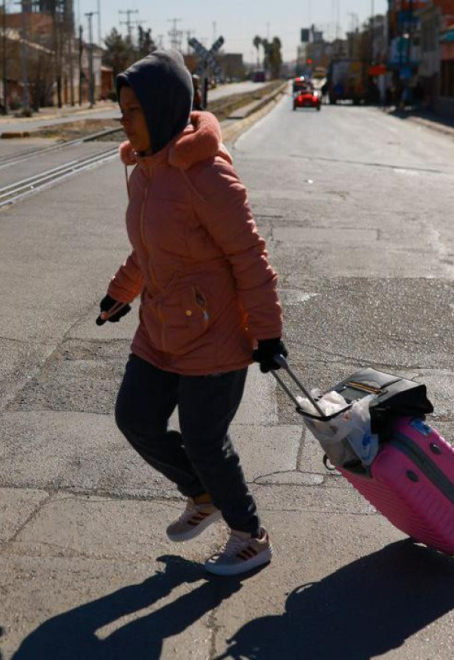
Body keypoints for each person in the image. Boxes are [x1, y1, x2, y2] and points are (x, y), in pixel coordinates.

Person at [101, 50, 285, 577]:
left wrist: (268, 335)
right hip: (159, 328)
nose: (124, 120)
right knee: (134, 418)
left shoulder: (206, 176)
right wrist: (122, 292)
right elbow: (151, 250)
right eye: (122, 109)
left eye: (133, 110)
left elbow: (250, 257)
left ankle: (250, 535)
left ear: (161, 110)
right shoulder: (145, 173)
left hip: (216, 334)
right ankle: (201, 493)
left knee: (205, 440)